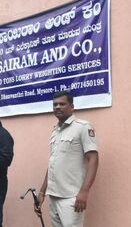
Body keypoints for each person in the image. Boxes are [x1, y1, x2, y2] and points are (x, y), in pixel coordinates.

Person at [34, 91, 99, 227]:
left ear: (72, 106)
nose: (57, 107)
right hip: (53, 196)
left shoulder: (82, 127)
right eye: (55, 104)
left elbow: (93, 159)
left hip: (71, 197)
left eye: (62, 104)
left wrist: (84, 192)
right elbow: (52, 163)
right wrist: (42, 192)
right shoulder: (55, 131)